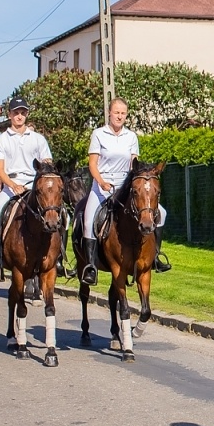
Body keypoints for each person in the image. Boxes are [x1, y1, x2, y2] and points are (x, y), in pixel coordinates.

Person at [0, 97, 52, 281]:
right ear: (10, 115)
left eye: (23, 113)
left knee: (58, 214)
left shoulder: (38, 139)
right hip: (11, 185)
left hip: (34, 184)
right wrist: (13, 185)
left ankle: (58, 258)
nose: (20, 116)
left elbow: (47, 162)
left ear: (26, 114)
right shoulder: (1, 140)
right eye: (16, 113)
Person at [79, 97, 140, 285]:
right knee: (89, 220)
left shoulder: (131, 137)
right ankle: (90, 266)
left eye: (123, 113)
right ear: (109, 113)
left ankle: (154, 257)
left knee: (159, 213)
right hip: (102, 187)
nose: (119, 116)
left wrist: (131, 185)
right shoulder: (98, 134)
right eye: (116, 113)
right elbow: (92, 163)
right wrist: (101, 182)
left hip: (123, 187)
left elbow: (134, 164)